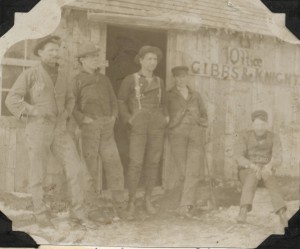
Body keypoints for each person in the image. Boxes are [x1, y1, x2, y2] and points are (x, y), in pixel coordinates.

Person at [5, 35, 89, 228]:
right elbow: (12, 99)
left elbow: (70, 99)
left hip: (60, 129)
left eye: (57, 49)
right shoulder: (30, 74)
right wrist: (32, 110)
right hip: (38, 128)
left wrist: (66, 113)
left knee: (75, 169)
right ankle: (40, 213)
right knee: (37, 172)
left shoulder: (63, 76)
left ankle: (78, 213)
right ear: (40, 53)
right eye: (50, 50)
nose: (55, 53)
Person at [118, 45, 169, 217]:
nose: (152, 62)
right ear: (140, 60)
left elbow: (164, 104)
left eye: (155, 59)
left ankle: (148, 199)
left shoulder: (159, 82)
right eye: (149, 59)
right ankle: (131, 201)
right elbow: (121, 101)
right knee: (135, 163)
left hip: (156, 126)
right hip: (138, 126)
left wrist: (165, 117)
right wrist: (129, 119)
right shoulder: (130, 79)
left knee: (153, 162)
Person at [72, 42, 124, 204]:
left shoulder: (104, 79)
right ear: (82, 60)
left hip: (107, 127)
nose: (96, 59)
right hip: (89, 127)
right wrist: (83, 119)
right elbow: (71, 105)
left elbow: (114, 100)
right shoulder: (77, 80)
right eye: (91, 57)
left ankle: (119, 203)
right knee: (90, 167)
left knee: (114, 164)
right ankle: (92, 204)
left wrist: (114, 116)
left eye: (96, 56)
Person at [167, 65, 208, 217]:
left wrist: (201, 125)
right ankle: (185, 202)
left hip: (195, 134)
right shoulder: (169, 95)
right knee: (184, 170)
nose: (181, 79)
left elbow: (204, 114)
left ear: (187, 77)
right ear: (174, 78)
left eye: (184, 76)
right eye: (178, 77)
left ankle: (185, 205)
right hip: (177, 135)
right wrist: (172, 125)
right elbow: (164, 114)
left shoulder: (195, 95)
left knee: (193, 169)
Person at [235, 110, 288, 227]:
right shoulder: (245, 136)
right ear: (252, 124)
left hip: (266, 168)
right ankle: (243, 210)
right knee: (252, 176)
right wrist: (253, 166)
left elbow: (278, 157)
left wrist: (269, 166)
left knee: (270, 178)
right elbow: (239, 156)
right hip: (248, 169)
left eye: (262, 125)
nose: (260, 128)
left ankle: (282, 213)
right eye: (257, 125)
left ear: (267, 125)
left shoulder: (274, 137)